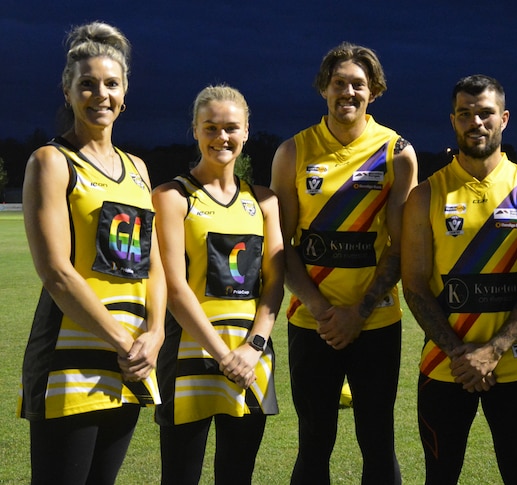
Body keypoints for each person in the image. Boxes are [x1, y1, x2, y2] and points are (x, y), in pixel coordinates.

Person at [19, 21, 165, 484]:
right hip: (73, 353)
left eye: (110, 84)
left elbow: (154, 264)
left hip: (133, 358)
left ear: (125, 92)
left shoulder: (138, 168)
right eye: (87, 84)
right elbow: (57, 273)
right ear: (67, 91)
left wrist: (156, 334)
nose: (99, 94)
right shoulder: (51, 161)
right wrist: (124, 343)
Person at [270, 42, 418, 485]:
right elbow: (284, 243)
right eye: (339, 83)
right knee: (314, 441)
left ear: (373, 91)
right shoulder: (293, 152)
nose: (348, 93)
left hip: (375, 323)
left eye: (358, 84)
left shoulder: (397, 152)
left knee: (378, 441)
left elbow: (399, 246)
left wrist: (359, 312)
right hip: (312, 324)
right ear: (323, 88)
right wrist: (321, 310)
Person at [401, 74, 517, 485]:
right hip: (444, 367)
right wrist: (460, 354)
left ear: (504, 119)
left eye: (486, 113)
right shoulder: (425, 195)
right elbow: (414, 285)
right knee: (440, 476)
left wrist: (493, 350)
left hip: (516, 366)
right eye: (466, 114)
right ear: (453, 121)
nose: (477, 122)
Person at [152, 85, 283, 484]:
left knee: (237, 475)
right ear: (195, 129)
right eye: (210, 127)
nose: (221, 137)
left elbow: (275, 281)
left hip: (251, 358)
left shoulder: (264, 201)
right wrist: (224, 355)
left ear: (246, 131)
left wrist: (253, 347)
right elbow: (175, 288)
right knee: (180, 475)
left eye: (231, 128)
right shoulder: (172, 196)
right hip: (190, 355)